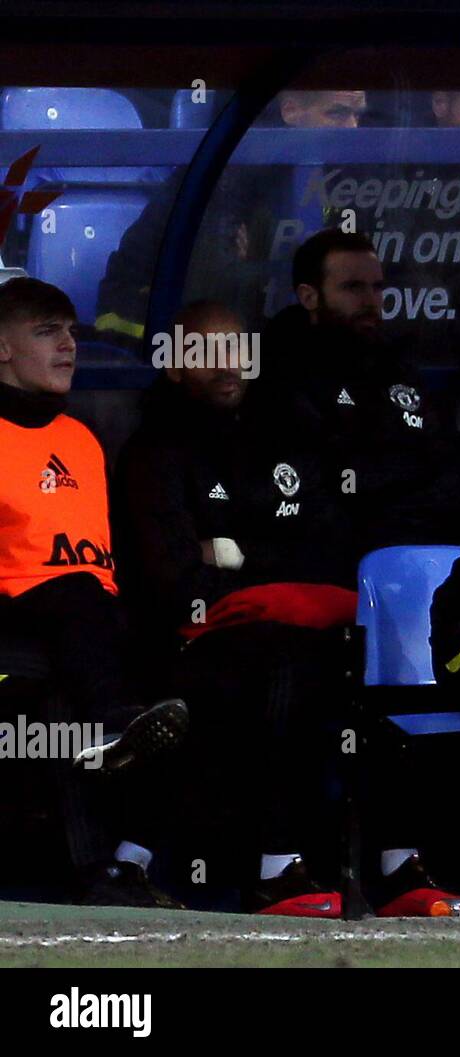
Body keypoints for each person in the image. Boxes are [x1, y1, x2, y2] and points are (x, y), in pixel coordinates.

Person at [113, 299, 460, 917]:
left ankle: (397, 869)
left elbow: (328, 546)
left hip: (294, 634)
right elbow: (171, 576)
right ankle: (275, 870)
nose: (227, 366)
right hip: (191, 642)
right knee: (282, 675)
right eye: (206, 352)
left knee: (361, 685)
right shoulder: (154, 450)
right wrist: (261, 562)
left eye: (237, 350)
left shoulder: (284, 436)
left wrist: (231, 549)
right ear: (174, 365)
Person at [0, 276, 189, 907]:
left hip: (91, 620)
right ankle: (112, 733)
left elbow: (119, 560)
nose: (68, 346)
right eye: (47, 331)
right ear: (1, 347)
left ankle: (129, 862)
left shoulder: (82, 438)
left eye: (74, 332)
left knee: (194, 669)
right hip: (15, 618)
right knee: (74, 634)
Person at [94, 89, 369, 346]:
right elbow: (215, 285)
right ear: (291, 111)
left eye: (358, 115)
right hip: (148, 324)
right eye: (337, 113)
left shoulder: (348, 176)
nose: (353, 128)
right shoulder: (236, 171)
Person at [261, 228, 460, 552]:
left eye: (377, 287)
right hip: (341, 564)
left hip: (425, 549)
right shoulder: (280, 376)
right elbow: (323, 487)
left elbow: (443, 459)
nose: (371, 301)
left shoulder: (394, 364)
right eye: (353, 287)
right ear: (309, 296)